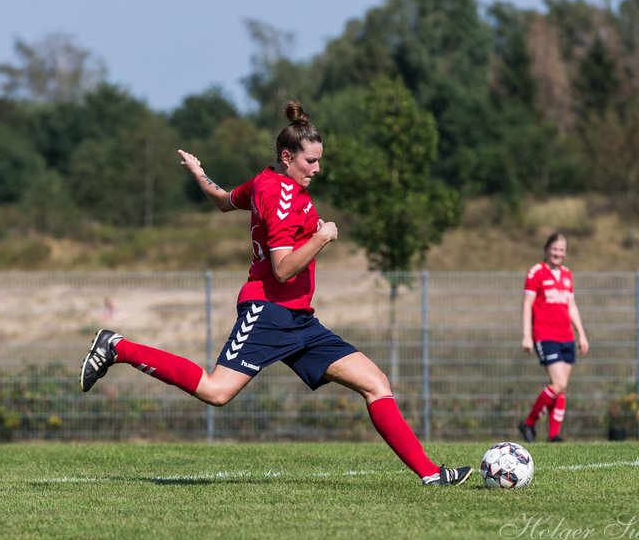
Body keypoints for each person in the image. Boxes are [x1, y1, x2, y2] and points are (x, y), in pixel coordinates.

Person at [80, 101, 471, 486]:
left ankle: (431, 475)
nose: (317, 169)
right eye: (310, 162)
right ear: (288, 157)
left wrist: (200, 173)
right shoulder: (281, 198)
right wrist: (322, 236)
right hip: (268, 310)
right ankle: (117, 348)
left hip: (300, 319)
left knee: (375, 382)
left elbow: (221, 201)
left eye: (319, 161)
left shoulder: (263, 182)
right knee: (217, 391)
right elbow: (283, 269)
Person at [518, 232, 589, 443]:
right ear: (547, 249)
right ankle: (529, 423)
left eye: (562, 250)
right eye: (555, 249)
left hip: (566, 336)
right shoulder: (536, 272)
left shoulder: (567, 275)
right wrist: (526, 335)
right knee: (558, 384)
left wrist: (582, 335)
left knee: (562, 386)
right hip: (545, 335)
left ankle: (553, 435)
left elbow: (571, 307)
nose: (558, 253)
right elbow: (527, 305)